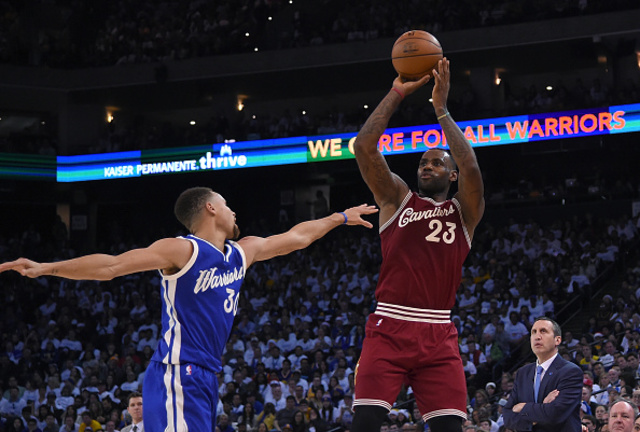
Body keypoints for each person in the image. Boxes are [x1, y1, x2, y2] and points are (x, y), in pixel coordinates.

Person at [0, 187, 377, 432]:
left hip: (205, 375)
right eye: (228, 204)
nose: (234, 212)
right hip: (177, 373)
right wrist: (46, 268)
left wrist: (339, 217)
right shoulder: (184, 250)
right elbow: (112, 266)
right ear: (211, 208)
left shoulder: (241, 253)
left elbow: (297, 238)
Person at [351, 58, 484, 432]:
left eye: (436, 163)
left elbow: (471, 167)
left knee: (449, 428)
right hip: (389, 325)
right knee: (365, 423)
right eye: (423, 162)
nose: (426, 166)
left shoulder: (465, 213)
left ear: (451, 174)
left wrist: (441, 109)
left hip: (438, 332)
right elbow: (364, 147)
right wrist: (397, 93)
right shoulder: (397, 200)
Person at [502, 317, 583, 431]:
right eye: (534, 332)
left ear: (557, 340)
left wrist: (522, 407)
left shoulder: (571, 372)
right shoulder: (522, 373)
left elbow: (555, 414)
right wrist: (539, 412)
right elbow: (507, 416)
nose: (537, 336)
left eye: (543, 331)